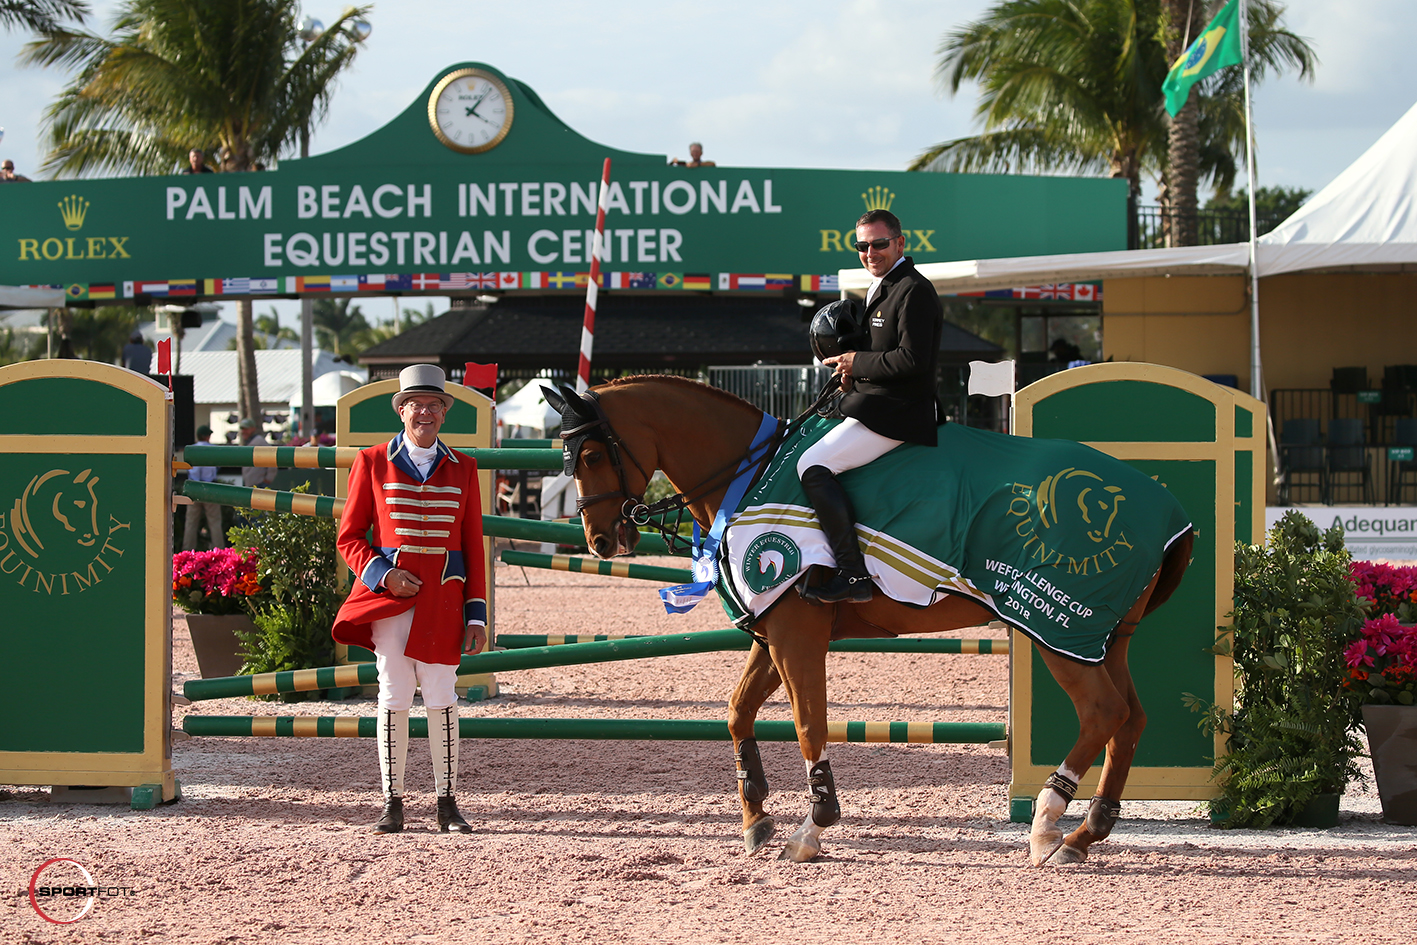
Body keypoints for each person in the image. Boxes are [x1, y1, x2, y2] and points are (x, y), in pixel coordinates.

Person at [332, 364, 487, 834]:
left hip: (445, 601)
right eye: (416, 404)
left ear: (444, 413)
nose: (425, 413)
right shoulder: (372, 461)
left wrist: (476, 615)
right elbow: (350, 538)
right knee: (394, 694)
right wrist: (384, 576)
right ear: (401, 411)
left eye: (434, 405)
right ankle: (392, 802)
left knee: (442, 695)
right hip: (392, 601)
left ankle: (447, 804)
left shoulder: (464, 467)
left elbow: (473, 545)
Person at [800, 208, 942, 604]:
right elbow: (882, 356)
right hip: (876, 401)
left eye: (879, 244)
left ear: (900, 242)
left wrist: (855, 362)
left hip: (900, 412)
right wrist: (852, 376)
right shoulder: (880, 286)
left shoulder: (914, 289)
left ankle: (852, 574)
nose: (870, 252)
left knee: (812, 466)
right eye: (861, 246)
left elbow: (913, 360)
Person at [183, 425, 225, 551]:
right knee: (214, 522)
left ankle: (186, 552)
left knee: (191, 522)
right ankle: (219, 551)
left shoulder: (191, 449)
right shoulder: (213, 449)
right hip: (210, 486)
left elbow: (190, 469)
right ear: (207, 436)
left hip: (193, 487)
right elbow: (217, 467)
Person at [238, 417, 277, 488]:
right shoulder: (248, 442)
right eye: (242, 429)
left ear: (253, 429)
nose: (244, 431)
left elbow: (273, 459)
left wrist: (268, 479)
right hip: (251, 484)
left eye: (246, 429)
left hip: (260, 484)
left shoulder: (260, 442)